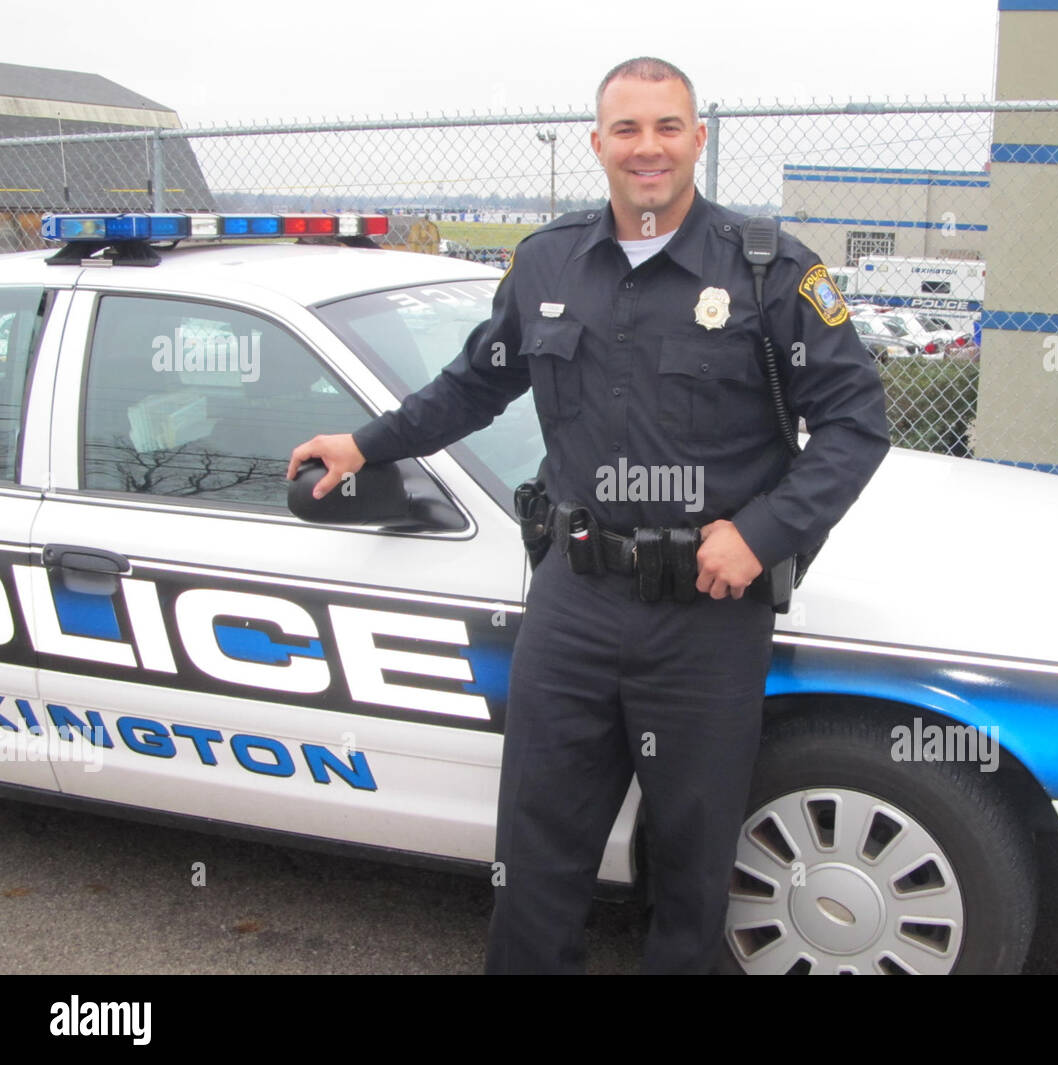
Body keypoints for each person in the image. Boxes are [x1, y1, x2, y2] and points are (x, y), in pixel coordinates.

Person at [287, 56, 890, 974]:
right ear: (597, 142)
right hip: (572, 604)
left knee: (690, 874)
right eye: (627, 129)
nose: (648, 148)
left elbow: (855, 424)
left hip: (707, 611)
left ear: (698, 137)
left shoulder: (771, 270)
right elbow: (474, 386)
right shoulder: (546, 262)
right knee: (533, 858)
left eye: (667, 127)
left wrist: (765, 531)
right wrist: (367, 445)